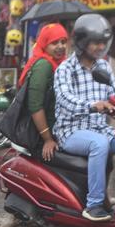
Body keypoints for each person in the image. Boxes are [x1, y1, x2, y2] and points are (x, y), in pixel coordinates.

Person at [53, 13, 115, 222]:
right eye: (96, 43)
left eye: (103, 43)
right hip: (71, 131)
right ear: (83, 42)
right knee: (99, 145)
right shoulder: (66, 69)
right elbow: (65, 99)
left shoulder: (104, 66)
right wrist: (93, 106)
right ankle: (94, 205)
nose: (101, 48)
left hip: (100, 128)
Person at [20, 23, 68, 162]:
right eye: (54, 43)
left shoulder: (61, 64)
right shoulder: (44, 65)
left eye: (63, 42)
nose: (60, 46)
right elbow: (35, 105)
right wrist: (47, 139)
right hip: (44, 135)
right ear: (44, 44)